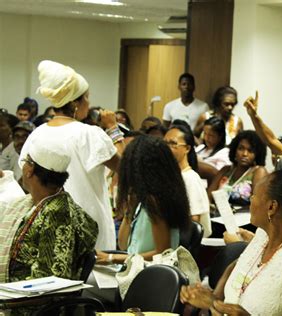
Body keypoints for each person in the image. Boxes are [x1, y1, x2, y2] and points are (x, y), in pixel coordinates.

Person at [181, 170, 282, 315]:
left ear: (271, 207)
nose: (250, 199)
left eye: (254, 195)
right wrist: (214, 298)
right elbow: (237, 265)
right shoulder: (263, 236)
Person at [19, 60, 123, 250]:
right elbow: (125, 168)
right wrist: (113, 128)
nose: (89, 103)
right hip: (89, 227)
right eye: (87, 98)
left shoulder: (37, 133)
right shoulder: (89, 134)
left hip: (49, 227)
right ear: (75, 102)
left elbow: (25, 179)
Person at [0, 140, 98, 283]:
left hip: (25, 302)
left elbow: (50, 283)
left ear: (30, 170)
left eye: (25, 161)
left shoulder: (57, 214)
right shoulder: (31, 203)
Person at [95, 136, 190, 263]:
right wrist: (129, 211)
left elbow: (162, 252)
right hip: (136, 269)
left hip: (151, 275)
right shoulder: (143, 199)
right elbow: (123, 245)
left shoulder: (156, 201)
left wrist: (114, 258)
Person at [164, 123, 212, 238]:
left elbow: (193, 223)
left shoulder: (190, 179)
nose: (166, 148)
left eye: (173, 144)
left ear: (187, 148)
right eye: (164, 143)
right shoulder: (171, 176)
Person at [207, 130, 267, 206]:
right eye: (241, 148)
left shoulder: (258, 171)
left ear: (257, 154)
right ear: (234, 150)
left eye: (250, 150)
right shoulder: (226, 170)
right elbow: (208, 197)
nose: (245, 154)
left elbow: (258, 205)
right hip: (217, 215)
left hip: (244, 216)